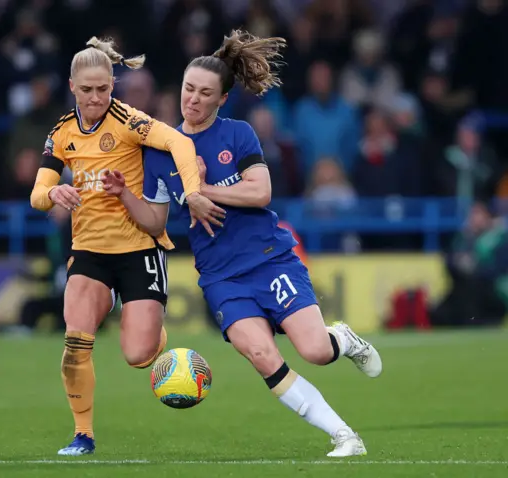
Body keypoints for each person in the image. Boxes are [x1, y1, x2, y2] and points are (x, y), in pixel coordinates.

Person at [102, 30, 383, 458]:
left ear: (221, 100)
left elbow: (260, 193)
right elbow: (156, 220)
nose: (193, 99)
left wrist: (202, 188)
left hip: (268, 259)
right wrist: (125, 194)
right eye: (188, 89)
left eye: (204, 93)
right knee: (261, 354)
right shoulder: (159, 152)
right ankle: (345, 436)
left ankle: (341, 340)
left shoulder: (238, 135)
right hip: (220, 276)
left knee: (314, 351)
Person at [30, 37, 224, 456]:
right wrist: (54, 195)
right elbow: (37, 192)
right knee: (75, 341)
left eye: (103, 88)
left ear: (113, 85)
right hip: (89, 252)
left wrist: (192, 193)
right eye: (87, 90)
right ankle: (83, 435)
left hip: (139, 249)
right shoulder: (61, 133)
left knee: (138, 356)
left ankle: (153, 334)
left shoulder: (130, 121)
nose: (97, 97)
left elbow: (180, 143)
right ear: (72, 86)